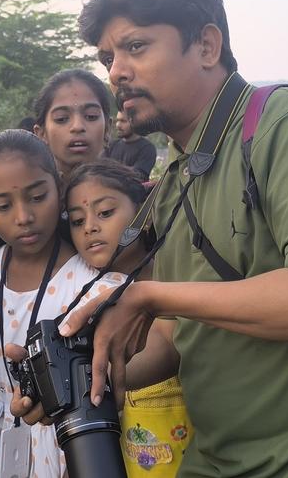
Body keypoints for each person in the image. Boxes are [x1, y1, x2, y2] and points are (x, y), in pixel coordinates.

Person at [11, 0, 288, 478]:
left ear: (206, 45)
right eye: (108, 57)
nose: (116, 72)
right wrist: (75, 383)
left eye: (136, 47)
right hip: (213, 462)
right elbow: (178, 337)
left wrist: (150, 295)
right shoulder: (182, 171)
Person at [0, 130, 124, 478]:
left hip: (70, 450)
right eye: (2, 206)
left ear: (58, 187)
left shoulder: (92, 282)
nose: (23, 216)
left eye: (37, 196)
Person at [64, 159, 189, 477]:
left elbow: (169, 347)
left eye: (105, 213)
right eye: (77, 221)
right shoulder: (81, 296)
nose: (90, 226)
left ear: (145, 214)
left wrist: (94, 375)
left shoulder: (172, 275)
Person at [32, 68, 112, 181]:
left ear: (107, 128)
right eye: (62, 119)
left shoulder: (134, 195)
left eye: (91, 116)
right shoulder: (22, 195)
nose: (78, 126)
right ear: (41, 134)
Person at [103, 114, 157, 181]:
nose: (118, 125)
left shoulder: (147, 148)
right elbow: (100, 170)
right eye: (117, 120)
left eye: (123, 121)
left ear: (136, 122)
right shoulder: (111, 145)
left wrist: (111, 169)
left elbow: (138, 176)